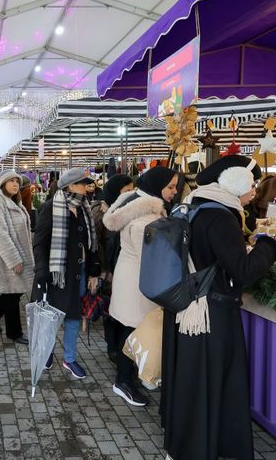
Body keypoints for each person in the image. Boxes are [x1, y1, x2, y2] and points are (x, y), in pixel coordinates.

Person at [161, 155, 276, 460]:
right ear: (236, 184)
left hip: (187, 306)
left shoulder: (193, 206)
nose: (254, 190)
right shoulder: (221, 216)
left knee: (192, 379)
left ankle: (188, 443)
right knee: (213, 378)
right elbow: (243, 270)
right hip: (211, 313)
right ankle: (206, 445)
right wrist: (269, 246)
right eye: (252, 184)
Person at [103, 167, 177, 406]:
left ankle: (134, 377)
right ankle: (123, 381)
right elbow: (154, 256)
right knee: (133, 330)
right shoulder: (146, 218)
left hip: (132, 279)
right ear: (157, 188)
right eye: (170, 187)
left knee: (133, 327)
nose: (174, 192)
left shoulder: (136, 207)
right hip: (139, 281)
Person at [32, 168, 101, 379]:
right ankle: (48, 352)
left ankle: (69, 359)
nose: (87, 187)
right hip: (56, 273)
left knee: (73, 316)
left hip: (78, 273)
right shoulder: (51, 207)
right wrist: (42, 271)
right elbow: (40, 242)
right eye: (83, 183)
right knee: (52, 316)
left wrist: (93, 272)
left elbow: (91, 246)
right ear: (70, 186)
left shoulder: (84, 209)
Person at [0, 171, 33, 345]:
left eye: (17, 181)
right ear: (2, 184)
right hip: (9, 257)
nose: (15, 184)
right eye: (10, 181)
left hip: (20, 254)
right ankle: (13, 332)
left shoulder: (13, 202)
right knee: (13, 294)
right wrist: (14, 260)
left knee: (14, 293)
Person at [94, 175, 134, 362]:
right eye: (126, 191)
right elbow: (96, 245)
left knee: (124, 311)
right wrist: (101, 270)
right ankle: (113, 348)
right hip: (109, 271)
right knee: (112, 312)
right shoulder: (101, 213)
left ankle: (121, 348)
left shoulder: (129, 211)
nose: (130, 194)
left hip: (124, 269)